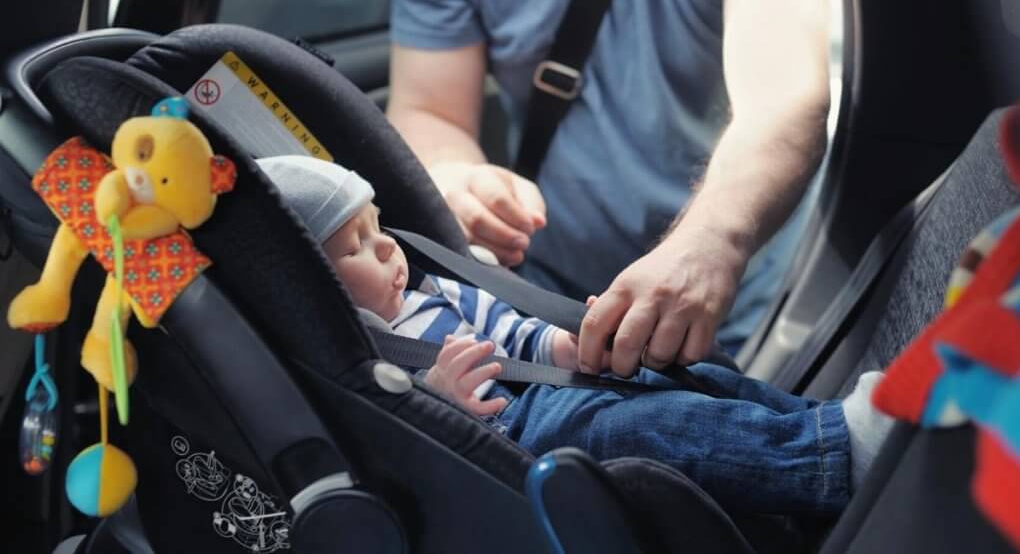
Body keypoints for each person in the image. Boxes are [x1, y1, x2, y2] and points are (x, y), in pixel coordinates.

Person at [257, 155, 892, 518]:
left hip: (549, 387)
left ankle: (824, 424)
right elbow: (405, 434)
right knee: (643, 429)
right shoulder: (362, 355)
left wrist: (567, 347)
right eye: (356, 247)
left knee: (690, 377)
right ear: (313, 283)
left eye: (378, 227)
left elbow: (509, 331)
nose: (387, 248)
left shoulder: (433, 293)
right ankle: (830, 459)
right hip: (511, 433)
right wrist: (444, 398)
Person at [385, 0, 837, 374]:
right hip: (549, 297)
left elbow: (784, 101)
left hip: (735, 299)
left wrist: (712, 242)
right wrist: (457, 177)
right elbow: (429, 110)